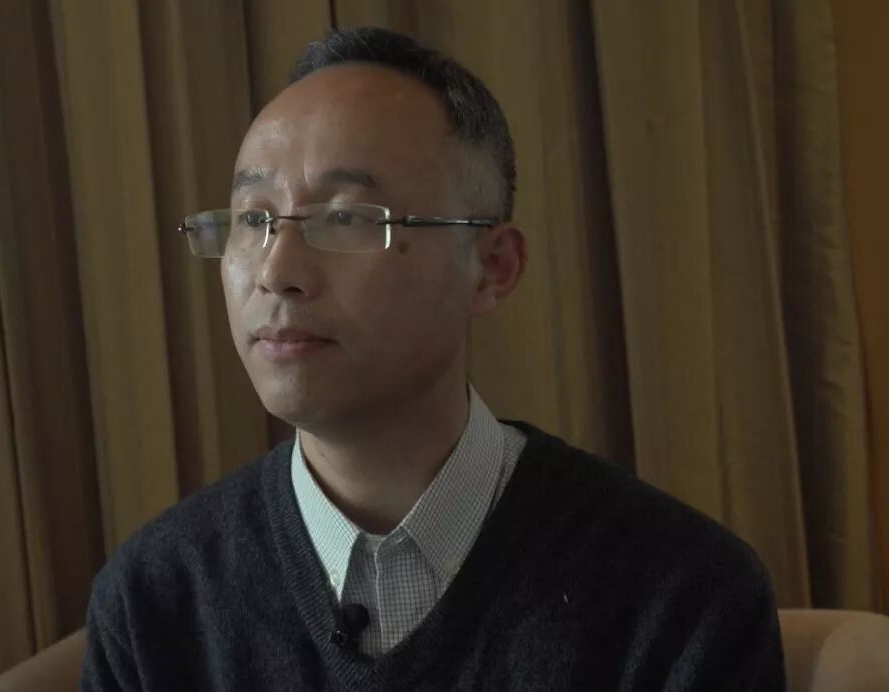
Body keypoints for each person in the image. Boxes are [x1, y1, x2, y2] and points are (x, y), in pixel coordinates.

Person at [80, 27, 784, 691]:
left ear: (492, 268)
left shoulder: (679, 596)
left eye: (346, 218)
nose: (276, 271)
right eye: (254, 220)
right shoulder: (153, 602)